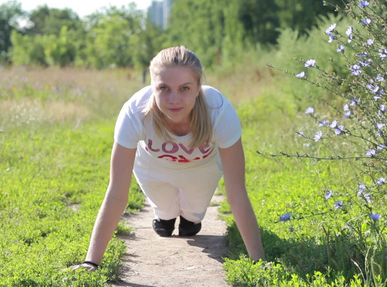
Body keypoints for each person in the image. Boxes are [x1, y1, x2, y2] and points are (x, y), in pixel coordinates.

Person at [71, 45, 264, 272]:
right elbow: (116, 193)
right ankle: (164, 217)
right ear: (152, 87)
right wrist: (90, 262)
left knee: (192, 222)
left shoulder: (219, 111)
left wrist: (259, 261)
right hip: (153, 168)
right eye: (164, 88)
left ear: (198, 87)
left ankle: (190, 219)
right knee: (164, 219)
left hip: (202, 170)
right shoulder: (135, 111)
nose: (174, 99)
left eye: (184, 88)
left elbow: (237, 191)